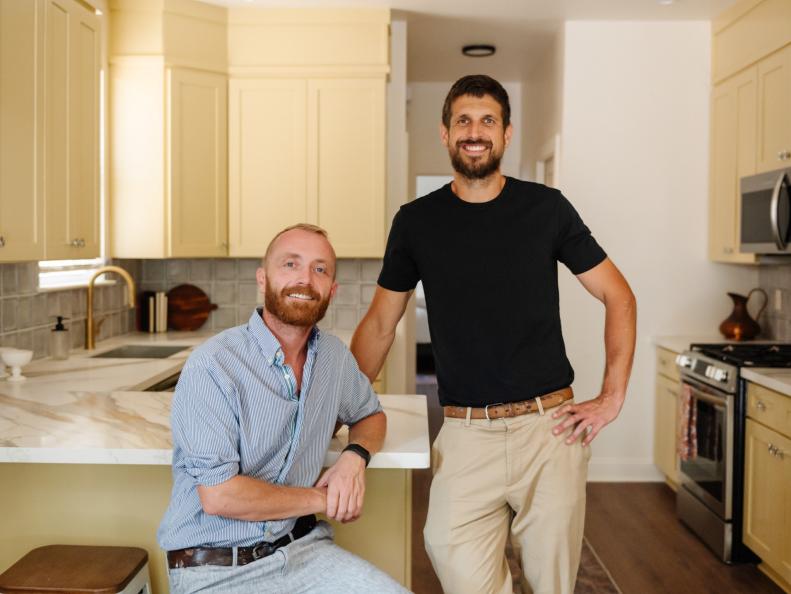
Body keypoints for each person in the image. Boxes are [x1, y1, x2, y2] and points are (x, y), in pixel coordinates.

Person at [351, 75, 637, 594]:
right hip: (464, 433)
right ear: (445, 133)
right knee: (448, 547)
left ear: (506, 134)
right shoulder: (416, 222)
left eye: (487, 121)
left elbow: (618, 295)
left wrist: (612, 397)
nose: (475, 131)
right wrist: (340, 403)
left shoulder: (547, 209)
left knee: (552, 583)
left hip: (550, 430)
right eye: (463, 120)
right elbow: (379, 324)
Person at [157, 223, 408, 594]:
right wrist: (325, 499)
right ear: (263, 278)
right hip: (216, 569)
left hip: (305, 553)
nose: (305, 279)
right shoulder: (214, 364)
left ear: (332, 290)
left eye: (319, 269)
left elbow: (370, 415)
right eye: (290, 264)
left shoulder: (334, 358)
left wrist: (354, 458)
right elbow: (219, 494)